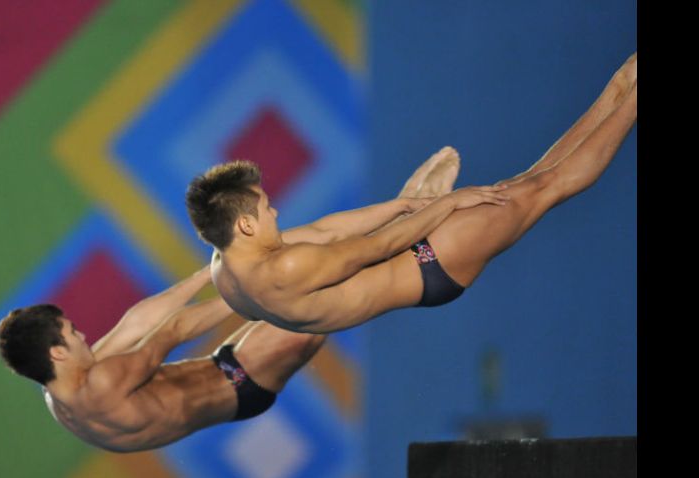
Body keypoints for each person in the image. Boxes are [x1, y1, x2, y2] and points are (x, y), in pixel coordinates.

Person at [0, 152, 458, 452]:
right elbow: (172, 330)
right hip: (241, 381)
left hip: (225, 372)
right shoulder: (104, 383)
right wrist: (251, 291)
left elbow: (136, 324)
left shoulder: (64, 392)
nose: (82, 333)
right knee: (315, 294)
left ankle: (398, 221)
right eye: (73, 334)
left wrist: (210, 271)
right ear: (56, 351)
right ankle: (405, 226)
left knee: (297, 280)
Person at [186, 53, 637, 335]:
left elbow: (325, 230)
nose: (276, 211)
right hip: (432, 260)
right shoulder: (284, 265)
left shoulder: (227, 272)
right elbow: (381, 245)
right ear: (245, 223)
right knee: (546, 187)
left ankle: (618, 89)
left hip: (413, 260)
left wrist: (405, 204)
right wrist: (446, 203)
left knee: (531, 181)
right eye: (266, 209)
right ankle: (629, 99)